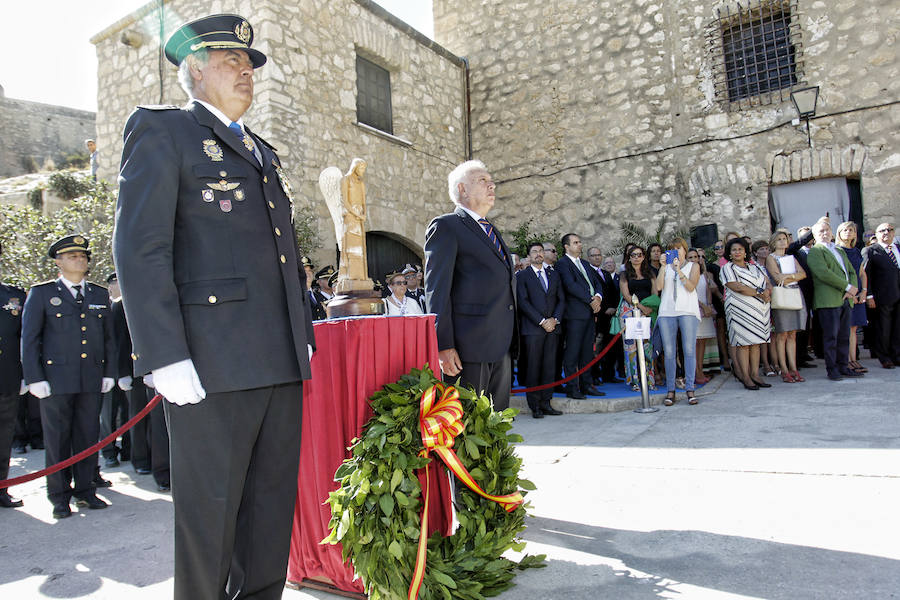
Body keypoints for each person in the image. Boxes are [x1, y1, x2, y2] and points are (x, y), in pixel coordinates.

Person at [114, 15, 316, 600]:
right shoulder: (166, 133)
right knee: (210, 523)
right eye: (232, 62)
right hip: (210, 366)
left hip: (279, 360)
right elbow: (140, 247)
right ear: (195, 69)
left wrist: (298, 335)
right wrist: (164, 354)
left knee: (269, 515)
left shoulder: (262, 153)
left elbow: (280, 259)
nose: (247, 72)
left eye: (250, 64)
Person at [21, 235, 115, 518]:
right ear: (58, 262)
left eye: (83, 256)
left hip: (91, 378)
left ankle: (86, 490)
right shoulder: (41, 293)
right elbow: (30, 339)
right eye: (72, 256)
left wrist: (110, 372)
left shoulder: (99, 294)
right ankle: (59, 496)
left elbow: (110, 339)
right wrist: (34, 377)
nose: (80, 260)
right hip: (56, 381)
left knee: (87, 435)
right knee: (58, 438)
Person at [424, 159, 517, 411]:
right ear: (462, 189)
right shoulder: (446, 226)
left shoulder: (491, 230)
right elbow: (437, 289)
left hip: (501, 344)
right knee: (467, 426)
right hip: (469, 348)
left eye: (491, 181)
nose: (492, 185)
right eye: (482, 180)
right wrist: (443, 345)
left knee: (497, 423)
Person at [806, 219, 860, 381]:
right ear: (815, 235)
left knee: (844, 335)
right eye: (820, 231)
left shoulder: (839, 250)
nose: (824, 233)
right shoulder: (816, 251)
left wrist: (853, 289)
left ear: (832, 232)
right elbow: (823, 273)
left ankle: (844, 366)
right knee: (831, 337)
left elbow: (851, 271)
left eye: (827, 230)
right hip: (828, 300)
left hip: (845, 299)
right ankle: (832, 369)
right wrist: (847, 287)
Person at [516, 242, 565, 418]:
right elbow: (523, 302)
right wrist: (542, 321)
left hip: (553, 329)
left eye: (541, 251)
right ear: (529, 256)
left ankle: (547, 403)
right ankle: (534, 405)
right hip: (533, 329)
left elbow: (561, 299)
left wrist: (554, 320)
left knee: (549, 367)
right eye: (534, 252)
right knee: (533, 368)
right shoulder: (522, 276)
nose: (538, 254)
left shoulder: (554, 274)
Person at [555, 233, 605, 399]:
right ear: (566, 247)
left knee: (586, 352)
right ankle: (572, 387)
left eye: (580, 241)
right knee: (572, 352)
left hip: (590, 314)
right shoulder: (562, 264)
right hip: (574, 315)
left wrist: (598, 297)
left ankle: (586, 385)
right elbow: (570, 285)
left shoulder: (584, 263)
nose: (580, 245)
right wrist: (590, 300)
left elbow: (596, 282)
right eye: (576, 242)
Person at [720, 238, 772, 390]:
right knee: (743, 343)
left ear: (745, 252)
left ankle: (755, 374)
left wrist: (767, 291)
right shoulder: (728, 268)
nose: (737, 252)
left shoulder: (754, 267)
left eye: (740, 249)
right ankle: (745, 377)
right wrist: (759, 292)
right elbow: (736, 286)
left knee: (755, 343)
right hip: (739, 311)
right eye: (734, 250)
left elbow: (766, 282)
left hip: (758, 311)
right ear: (729, 253)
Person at [655, 238, 701, 405]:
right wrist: (662, 267)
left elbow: (690, 287)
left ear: (684, 250)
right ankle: (670, 390)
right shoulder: (665, 268)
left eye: (678, 248)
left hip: (687, 310)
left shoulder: (693, 266)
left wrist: (678, 271)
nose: (675, 251)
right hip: (667, 311)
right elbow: (659, 288)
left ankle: (690, 388)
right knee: (669, 351)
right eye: (672, 249)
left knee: (688, 349)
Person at [1, 241, 27, 508]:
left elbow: (25, 338)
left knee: (3, 438)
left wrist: (25, 374)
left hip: (6, 378)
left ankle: (1, 489)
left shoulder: (14, 297)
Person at [765, 229, 808, 383]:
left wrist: (788, 276)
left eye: (784, 238)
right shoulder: (771, 258)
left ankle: (793, 367)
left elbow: (803, 274)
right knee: (782, 334)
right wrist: (793, 276)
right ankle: (784, 368)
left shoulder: (791, 257)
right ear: (773, 242)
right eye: (779, 239)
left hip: (795, 294)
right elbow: (776, 278)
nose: (783, 241)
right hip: (782, 296)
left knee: (792, 334)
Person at [619, 245, 658, 391]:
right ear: (629, 258)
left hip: (648, 312)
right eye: (633, 255)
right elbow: (626, 295)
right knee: (631, 349)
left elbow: (655, 293)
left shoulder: (650, 273)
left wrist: (649, 309)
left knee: (647, 347)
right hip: (630, 312)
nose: (637, 257)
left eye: (639, 254)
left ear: (644, 257)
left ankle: (649, 380)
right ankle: (634, 381)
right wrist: (641, 308)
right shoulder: (624, 275)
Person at [862, 222, 900, 369]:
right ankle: (884, 357)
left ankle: (897, 355)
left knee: (897, 328)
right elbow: (866, 274)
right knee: (883, 328)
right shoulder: (870, 250)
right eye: (882, 230)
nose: (886, 232)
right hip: (882, 296)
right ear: (876, 235)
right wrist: (869, 295)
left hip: (898, 294)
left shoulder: (897, 248)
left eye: (890, 230)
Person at [835, 222, 869, 373]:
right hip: (846, 294)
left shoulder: (855, 251)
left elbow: (862, 273)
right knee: (846, 329)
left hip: (859, 293)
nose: (848, 232)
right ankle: (846, 360)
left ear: (855, 234)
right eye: (845, 230)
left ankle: (854, 359)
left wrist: (864, 291)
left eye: (851, 230)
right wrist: (851, 293)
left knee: (854, 329)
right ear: (839, 233)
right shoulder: (836, 251)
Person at [687, 248, 716, 385]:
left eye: (696, 257)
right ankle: (696, 372)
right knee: (695, 343)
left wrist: (709, 305)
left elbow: (708, 291)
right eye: (691, 257)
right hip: (694, 310)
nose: (694, 259)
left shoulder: (704, 274)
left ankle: (701, 369)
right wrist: (702, 306)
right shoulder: (686, 274)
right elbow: (690, 293)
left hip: (705, 310)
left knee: (703, 342)